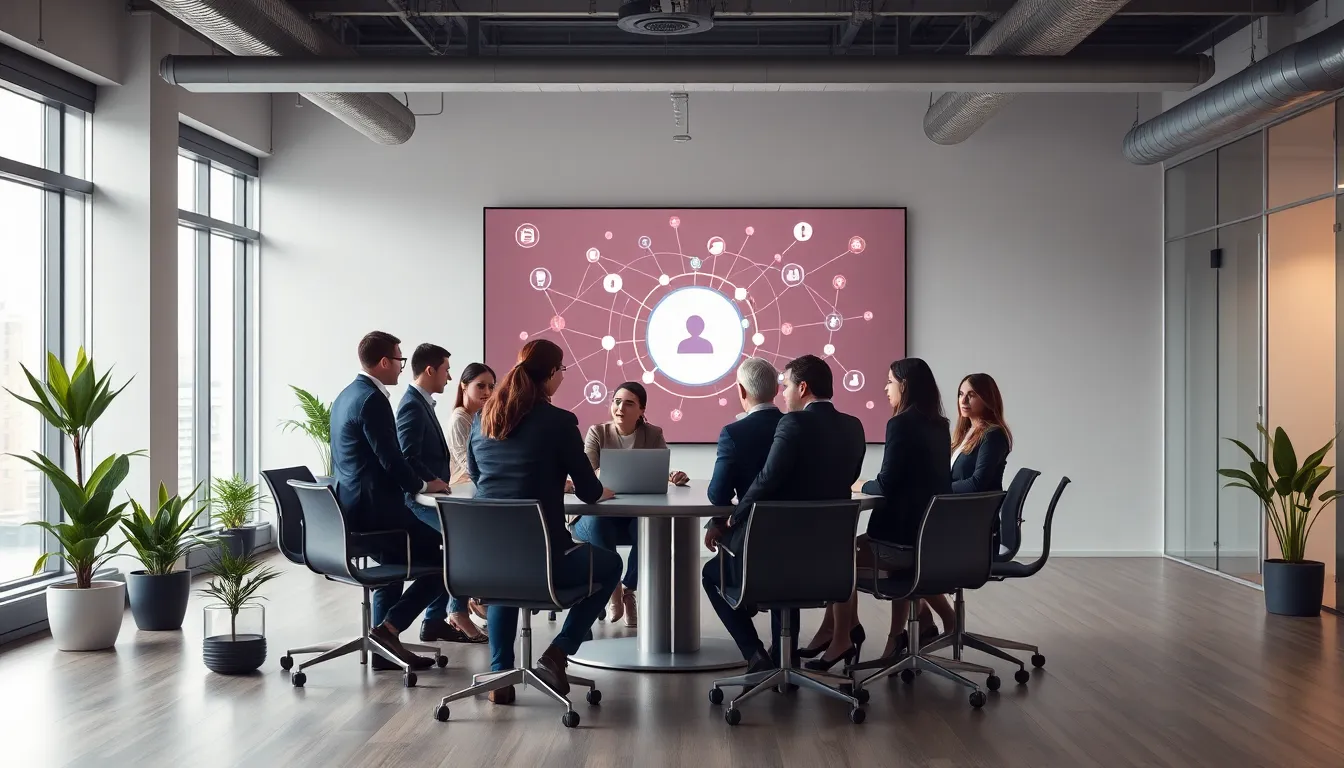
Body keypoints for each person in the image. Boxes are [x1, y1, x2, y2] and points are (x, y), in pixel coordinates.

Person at [468, 339, 621, 705]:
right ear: (552, 374)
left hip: (485, 560)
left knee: (506, 574)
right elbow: (587, 490)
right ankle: (558, 652)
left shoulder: (483, 418)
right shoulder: (560, 421)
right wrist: (602, 490)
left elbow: (477, 476)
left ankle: (500, 672)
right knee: (611, 564)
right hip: (548, 563)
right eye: (563, 371)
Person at [701, 355, 865, 677]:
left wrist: (733, 517)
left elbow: (766, 479)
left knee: (715, 573)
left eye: (787, 385)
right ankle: (785, 654)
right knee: (786, 563)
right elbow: (847, 477)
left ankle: (756, 653)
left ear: (802, 388)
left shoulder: (792, 423)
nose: (783, 393)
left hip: (783, 556)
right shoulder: (854, 425)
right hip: (831, 563)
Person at [811, 358, 951, 664]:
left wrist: (861, 484)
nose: (885, 388)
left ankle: (841, 638)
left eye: (889, 381)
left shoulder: (900, 424)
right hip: (929, 541)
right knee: (850, 546)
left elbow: (886, 484)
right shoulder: (940, 426)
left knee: (837, 557)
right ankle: (903, 633)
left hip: (899, 543)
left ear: (905, 384)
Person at [330, 331, 450, 672]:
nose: (401, 367)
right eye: (399, 360)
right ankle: (388, 630)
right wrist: (425, 484)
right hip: (375, 514)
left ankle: (385, 644)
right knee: (451, 557)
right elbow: (392, 459)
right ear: (383, 362)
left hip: (353, 508)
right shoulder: (371, 399)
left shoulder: (346, 395)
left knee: (401, 566)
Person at [574, 381, 689, 628]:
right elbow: (587, 475)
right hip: (595, 517)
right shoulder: (597, 432)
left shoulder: (653, 433)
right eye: (616, 401)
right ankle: (612, 585)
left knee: (647, 527)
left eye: (629, 403)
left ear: (642, 409)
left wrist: (673, 475)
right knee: (598, 524)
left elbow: (659, 473)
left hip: (630, 517)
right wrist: (604, 473)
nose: (620, 408)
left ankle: (628, 590)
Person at [395, 343, 487, 645]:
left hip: (437, 497)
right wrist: (428, 481)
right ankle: (457, 611)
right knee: (464, 541)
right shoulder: (411, 404)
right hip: (418, 503)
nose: (449, 378)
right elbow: (406, 456)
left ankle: (434, 621)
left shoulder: (422, 403)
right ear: (431, 370)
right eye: (447, 370)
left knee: (457, 545)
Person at [705, 357, 784, 509]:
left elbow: (718, 495)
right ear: (776, 389)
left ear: (741, 390)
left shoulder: (733, 433)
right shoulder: (797, 427)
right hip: (795, 528)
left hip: (751, 528)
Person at [951, 373, 1013, 494]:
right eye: (961, 394)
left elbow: (977, 483)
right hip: (956, 504)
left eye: (971, 395)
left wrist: (940, 488)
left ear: (987, 399)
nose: (963, 400)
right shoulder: (966, 432)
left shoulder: (993, 435)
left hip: (973, 508)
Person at [446, 363, 497, 486]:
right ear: (464, 385)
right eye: (481, 386)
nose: (487, 392)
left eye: (491, 387)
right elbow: (466, 463)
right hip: (463, 489)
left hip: (479, 485)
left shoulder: (482, 417)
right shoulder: (459, 418)